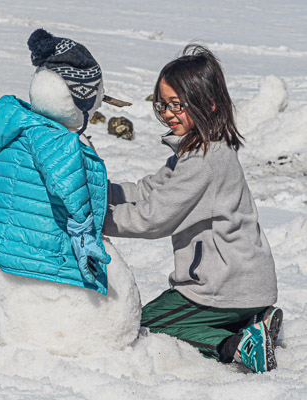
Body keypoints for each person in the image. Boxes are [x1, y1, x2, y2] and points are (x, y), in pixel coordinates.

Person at [103, 44, 283, 373]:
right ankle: (254, 321)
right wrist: (101, 193)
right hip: (245, 286)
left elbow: (152, 219)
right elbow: (149, 190)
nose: (169, 113)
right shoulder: (199, 152)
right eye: (163, 105)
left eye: (178, 105)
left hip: (221, 288)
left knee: (145, 325)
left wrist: (97, 218)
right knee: (151, 323)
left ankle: (236, 345)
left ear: (209, 104)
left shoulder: (203, 161)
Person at [0, 28, 132, 295]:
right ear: (82, 99)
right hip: (43, 269)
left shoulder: (21, 127)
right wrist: (83, 230)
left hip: (5, 258)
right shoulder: (55, 141)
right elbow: (67, 183)